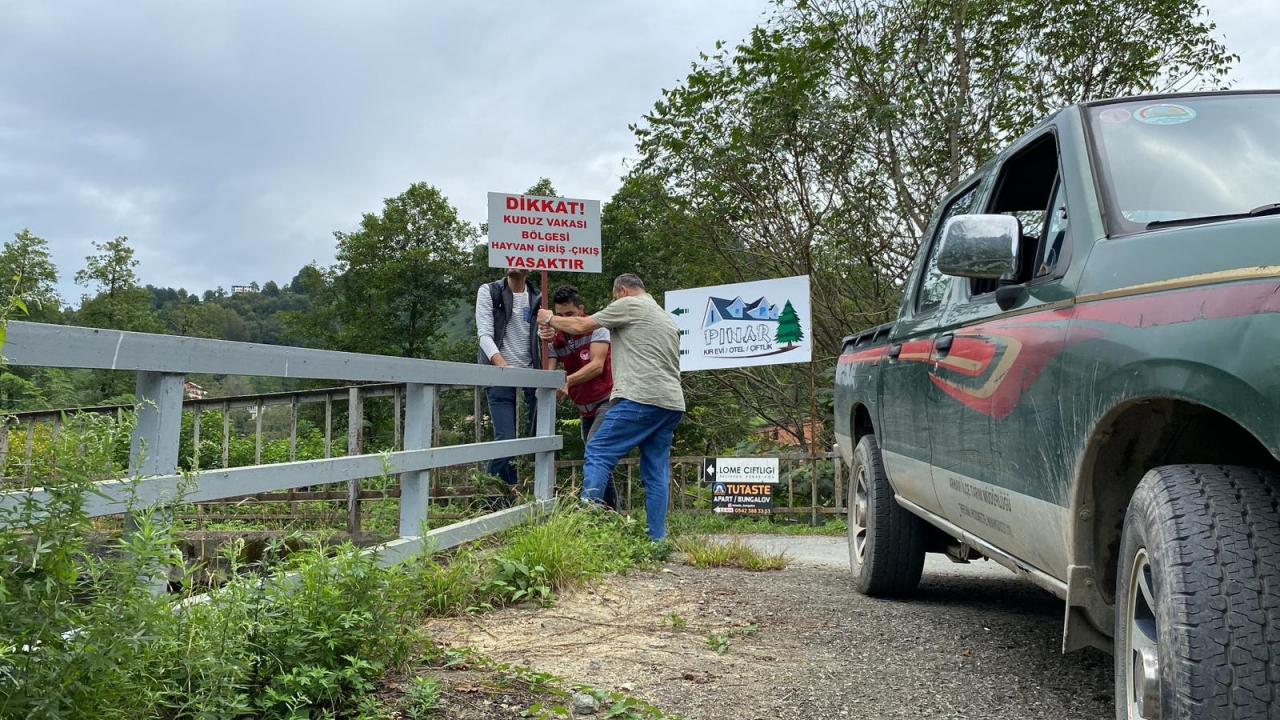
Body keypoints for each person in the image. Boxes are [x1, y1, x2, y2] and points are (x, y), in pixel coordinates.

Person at [537, 273, 684, 541]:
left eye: (614, 298)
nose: (613, 303)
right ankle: (657, 540)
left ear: (623, 291)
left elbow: (583, 326)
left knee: (598, 450)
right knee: (656, 472)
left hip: (639, 398)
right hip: (671, 402)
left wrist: (548, 318)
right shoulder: (665, 317)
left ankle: (586, 529)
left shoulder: (629, 304)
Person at [537, 285, 621, 511]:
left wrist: (567, 381)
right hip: (584, 408)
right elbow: (550, 372)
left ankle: (590, 508)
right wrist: (543, 340)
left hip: (607, 400)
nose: (565, 320)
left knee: (595, 452)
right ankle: (611, 513)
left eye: (570, 315)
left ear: (581, 310)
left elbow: (596, 366)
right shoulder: (558, 339)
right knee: (599, 459)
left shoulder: (597, 327)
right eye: (560, 316)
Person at [475, 268, 542, 499]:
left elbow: (547, 339)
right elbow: (484, 334)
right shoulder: (489, 291)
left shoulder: (538, 297)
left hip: (531, 378)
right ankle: (488, 498)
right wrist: (501, 364)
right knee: (506, 441)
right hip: (500, 374)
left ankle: (514, 499)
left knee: (534, 443)